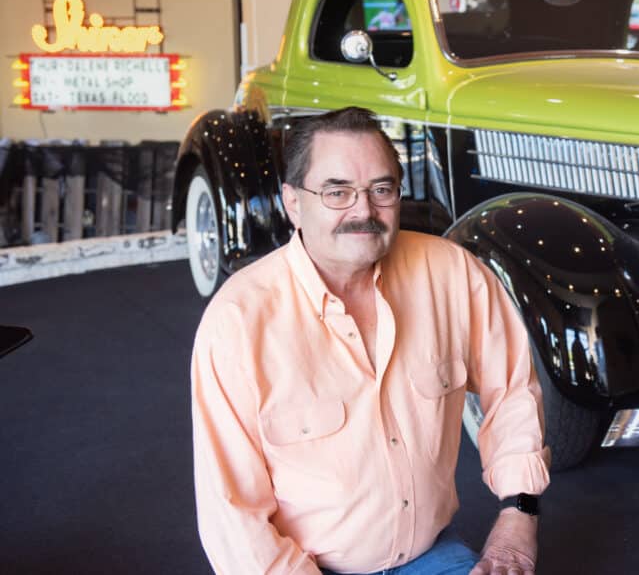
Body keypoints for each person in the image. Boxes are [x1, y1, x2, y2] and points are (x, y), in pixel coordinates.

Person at [191, 107, 550, 575]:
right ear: (293, 203)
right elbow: (232, 513)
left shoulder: (451, 274)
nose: (363, 211)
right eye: (337, 192)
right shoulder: (238, 321)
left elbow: (512, 390)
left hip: (429, 554)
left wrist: (518, 514)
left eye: (381, 189)